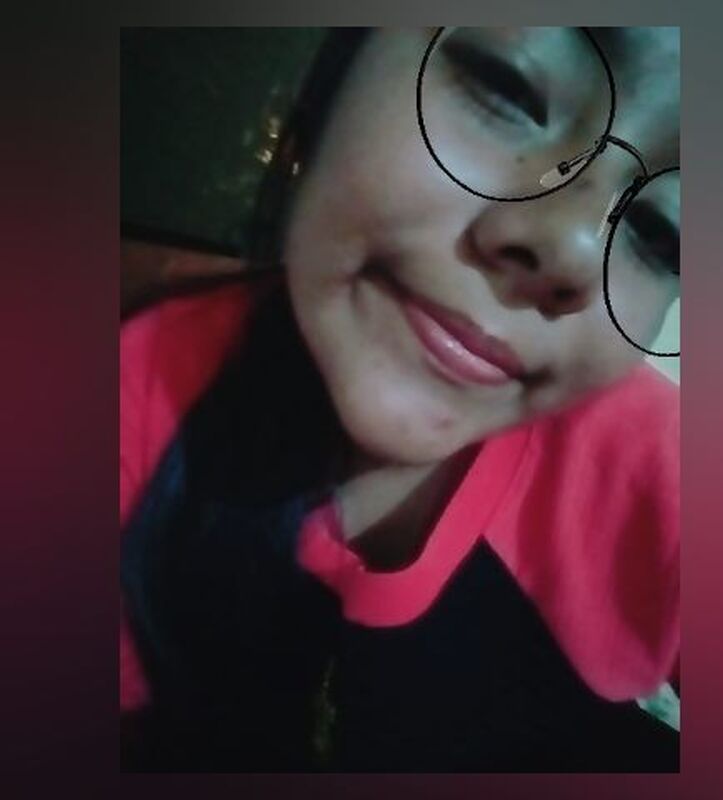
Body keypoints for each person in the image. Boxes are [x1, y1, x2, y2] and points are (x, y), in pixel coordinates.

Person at [120, 27, 680, 771]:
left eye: (660, 233)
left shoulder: (664, 467)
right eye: (508, 87)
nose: (576, 249)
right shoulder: (136, 394)